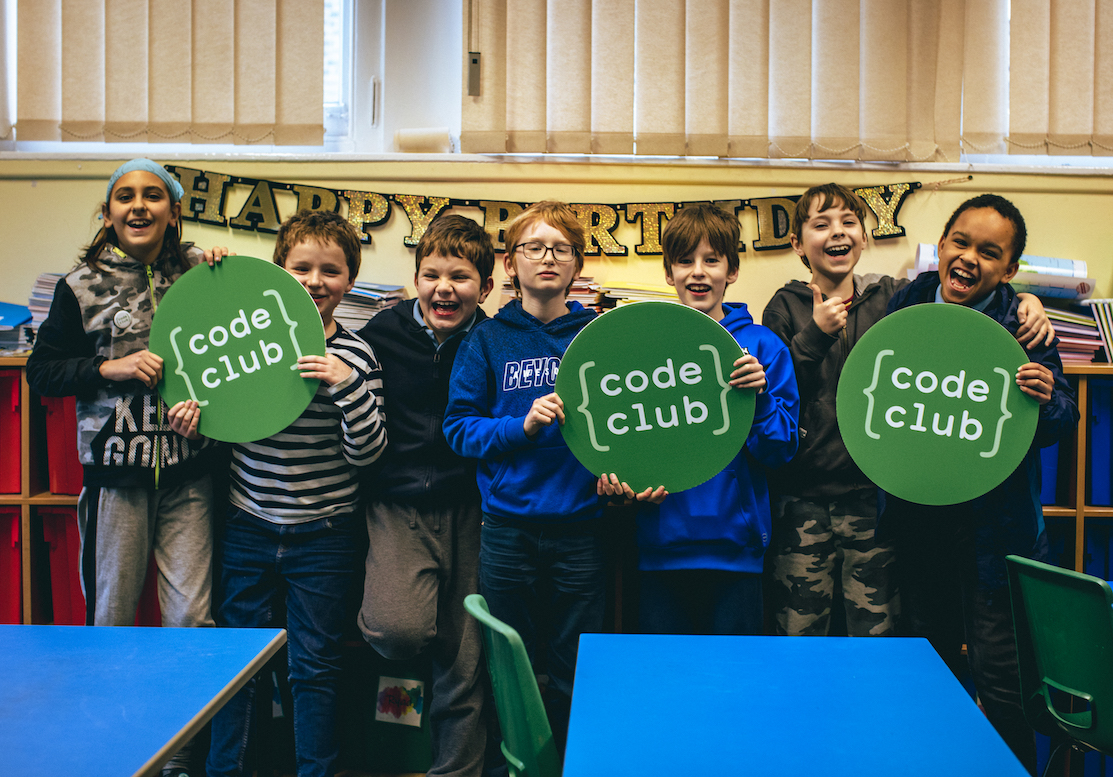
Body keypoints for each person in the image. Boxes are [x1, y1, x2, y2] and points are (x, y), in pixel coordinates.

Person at [762, 183, 1056, 638]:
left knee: (878, 631)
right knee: (798, 629)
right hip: (802, 496)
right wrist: (815, 335)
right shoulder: (785, 306)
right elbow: (776, 391)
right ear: (798, 244)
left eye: (848, 222)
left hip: (869, 497)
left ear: (866, 237)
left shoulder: (891, 297)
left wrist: (1027, 303)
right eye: (820, 225)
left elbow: (966, 289)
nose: (836, 233)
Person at [26, 158, 224, 777]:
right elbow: (42, 371)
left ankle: (180, 760)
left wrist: (226, 270)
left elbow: (238, 347)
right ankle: (111, 753)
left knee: (191, 619)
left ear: (173, 209)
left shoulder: (200, 271)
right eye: (124, 197)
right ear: (108, 212)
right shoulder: (79, 285)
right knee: (111, 615)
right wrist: (107, 368)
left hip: (189, 476)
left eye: (153, 196)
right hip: (117, 477)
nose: (139, 206)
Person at [881, 193, 1077, 774]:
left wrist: (1045, 400)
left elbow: (1059, 418)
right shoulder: (905, 304)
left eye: (990, 253)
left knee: (1002, 680)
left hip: (997, 534)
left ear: (1010, 270)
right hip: (922, 529)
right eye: (960, 243)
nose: (969, 259)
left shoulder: (1025, 326)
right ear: (939, 247)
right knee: (931, 671)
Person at [206, 210, 387, 777]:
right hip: (249, 523)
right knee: (240, 664)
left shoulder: (357, 356)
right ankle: (226, 770)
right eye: (300, 267)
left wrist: (346, 386)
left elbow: (369, 454)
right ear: (280, 272)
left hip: (325, 534)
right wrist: (192, 419)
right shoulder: (248, 339)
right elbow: (216, 410)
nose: (315, 281)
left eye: (330, 270)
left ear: (350, 281)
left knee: (315, 667)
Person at [443, 201, 605, 751]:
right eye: (533, 247)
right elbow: (460, 429)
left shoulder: (599, 335)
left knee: (573, 663)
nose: (547, 258)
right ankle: (507, 764)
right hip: (508, 528)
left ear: (577, 265)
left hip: (581, 528)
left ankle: (566, 761)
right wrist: (521, 426)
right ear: (510, 263)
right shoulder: (486, 340)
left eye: (561, 248)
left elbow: (625, 427)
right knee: (508, 662)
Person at [609, 202, 798, 636]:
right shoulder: (642, 343)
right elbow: (628, 439)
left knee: (733, 683)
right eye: (685, 260)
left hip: (736, 552)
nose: (698, 272)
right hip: (660, 549)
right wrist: (624, 485)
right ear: (668, 272)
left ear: (731, 271)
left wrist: (760, 399)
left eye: (711, 260)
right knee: (668, 683)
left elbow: (782, 450)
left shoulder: (763, 347)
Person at [355, 214, 494, 777]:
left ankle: (456, 769)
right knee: (400, 630)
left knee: (465, 660)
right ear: (415, 279)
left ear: (484, 287)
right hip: (397, 504)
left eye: (460, 277)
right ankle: (394, 746)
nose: (444, 288)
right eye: (431, 274)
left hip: (471, 508)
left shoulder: (492, 340)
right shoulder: (381, 335)